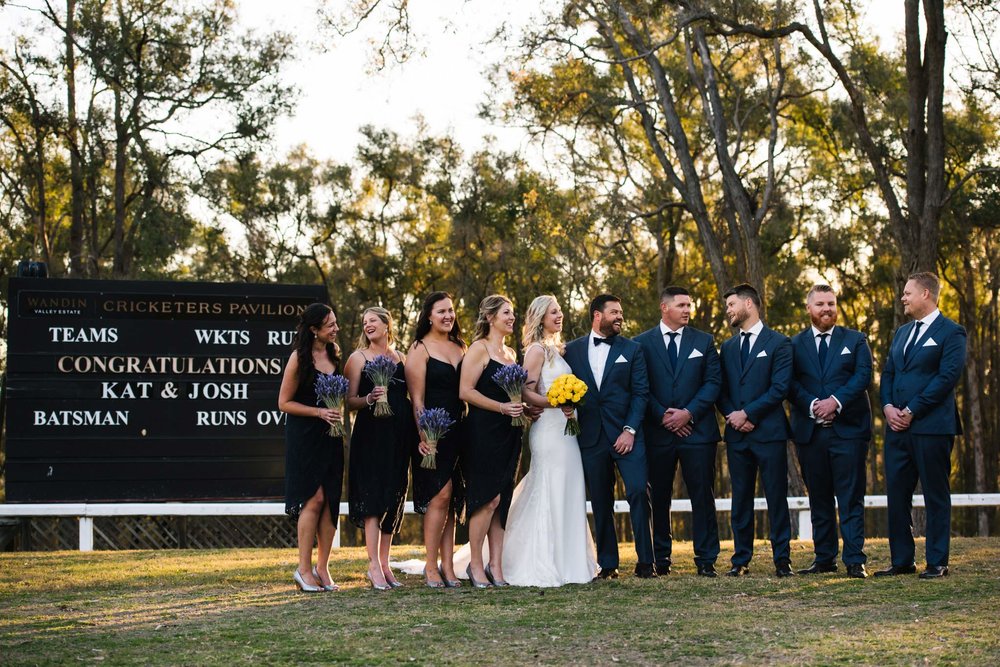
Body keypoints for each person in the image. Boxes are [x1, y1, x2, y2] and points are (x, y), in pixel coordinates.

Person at [502, 295, 598, 586]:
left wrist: (569, 403)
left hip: (567, 429)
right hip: (548, 429)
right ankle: (543, 560)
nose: (559, 316)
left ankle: (571, 561)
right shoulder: (535, 350)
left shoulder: (559, 349)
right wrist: (554, 403)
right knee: (549, 485)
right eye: (553, 312)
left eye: (560, 311)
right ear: (540, 317)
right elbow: (526, 391)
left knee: (570, 486)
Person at [876, 272, 966, 579]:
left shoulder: (952, 332)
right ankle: (902, 560)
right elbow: (888, 373)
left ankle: (937, 561)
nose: (903, 298)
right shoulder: (901, 333)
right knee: (897, 495)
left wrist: (913, 409)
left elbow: (947, 378)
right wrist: (888, 408)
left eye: (907, 293)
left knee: (935, 494)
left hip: (932, 427)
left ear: (926, 294)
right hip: (896, 429)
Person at [563, 294, 653, 579]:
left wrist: (630, 430)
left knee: (639, 490)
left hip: (627, 434)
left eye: (621, 312)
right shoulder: (572, 350)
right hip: (590, 436)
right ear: (597, 316)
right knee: (601, 500)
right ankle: (609, 563)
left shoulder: (633, 349)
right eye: (614, 312)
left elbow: (641, 394)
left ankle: (646, 562)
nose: (620, 317)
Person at [635, 286, 722, 577]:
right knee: (659, 496)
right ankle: (662, 558)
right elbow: (640, 388)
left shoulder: (704, 341)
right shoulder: (641, 344)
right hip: (658, 433)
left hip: (698, 433)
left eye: (689, 305)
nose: (687, 310)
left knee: (702, 495)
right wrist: (663, 416)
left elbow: (712, 383)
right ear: (664, 307)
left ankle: (707, 559)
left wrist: (688, 414)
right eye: (682, 305)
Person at [789, 285, 872, 579]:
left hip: (848, 431)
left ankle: (854, 559)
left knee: (850, 497)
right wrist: (813, 405)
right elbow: (789, 383)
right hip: (811, 434)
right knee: (819, 498)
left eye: (831, 303)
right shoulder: (794, 345)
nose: (827, 309)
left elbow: (863, 375)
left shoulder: (856, 339)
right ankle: (824, 558)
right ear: (809, 308)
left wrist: (835, 402)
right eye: (821, 304)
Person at [717, 284, 794, 577]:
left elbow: (780, 388)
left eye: (732, 304)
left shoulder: (779, 343)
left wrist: (747, 413)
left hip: (769, 433)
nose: (729, 311)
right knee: (741, 498)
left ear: (749, 304)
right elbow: (720, 389)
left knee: (776, 497)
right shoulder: (728, 347)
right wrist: (732, 416)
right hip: (737, 436)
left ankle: (782, 559)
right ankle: (741, 559)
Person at [344, 307, 414, 591]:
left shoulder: (402, 358)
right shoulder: (357, 358)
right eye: (364, 322)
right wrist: (370, 398)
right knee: (373, 497)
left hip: (399, 435)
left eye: (373, 320)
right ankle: (373, 564)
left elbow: (410, 394)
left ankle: (386, 563)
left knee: (393, 496)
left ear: (387, 324)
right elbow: (348, 401)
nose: (368, 325)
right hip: (371, 435)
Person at [458, 295, 525, 588]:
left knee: (503, 502)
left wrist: (525, 407)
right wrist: (500, 407)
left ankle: (495, 567)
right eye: (506, 313)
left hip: (511, 432)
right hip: (483, 432)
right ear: (490, 317)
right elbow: (465, 391)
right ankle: (475, 565)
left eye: (513, 313)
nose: (512, 318)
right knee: (487, 498)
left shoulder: (511, 353)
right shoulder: (479, 349)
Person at [277, 303, 343, 592]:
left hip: (332, 436)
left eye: (336, 323)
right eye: (330, 325)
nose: (336, 329)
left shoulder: (334, 354)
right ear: (314, 329)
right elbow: (283, 403)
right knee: (313, 499)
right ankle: (303, 569)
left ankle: (323, 568)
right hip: (305, 436)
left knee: (330, 502)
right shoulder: (299, 358)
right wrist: (319, 413)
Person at [405, 291, 467, 589]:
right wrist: (423, 435)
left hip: (461, 432)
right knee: (439, 496)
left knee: (453, 499)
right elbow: (416, 400)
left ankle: (448, 566)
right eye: (441, 311)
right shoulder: (419, 348)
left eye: (451, 311)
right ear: (428, 316)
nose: (448, 316)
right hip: (432, 433)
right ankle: (430, 566)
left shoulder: (460, 346)